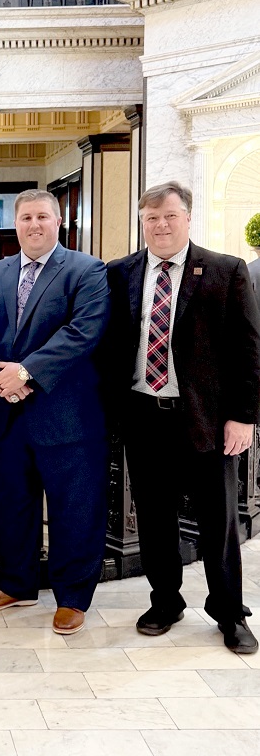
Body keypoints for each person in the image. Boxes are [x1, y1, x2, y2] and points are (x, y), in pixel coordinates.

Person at [104, 181, 260, 654]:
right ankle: (166, 601)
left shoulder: (225, 270)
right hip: (143, 415)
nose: (161, 225)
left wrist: (243, 417)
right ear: (142, 222)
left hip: (207, 422)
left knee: (218, 523)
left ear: (187, 217)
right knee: (153, 520)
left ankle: (229, 613)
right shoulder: (121, 273)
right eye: (151, 218)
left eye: (170, 216)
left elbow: (248, 350)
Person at [0, 189, 110, 635]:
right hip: (3, 412)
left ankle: (72, 597)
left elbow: (83, 332)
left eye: (43, 217)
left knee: (74, 509)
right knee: (10, 503)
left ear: (58, 221)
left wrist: (26, 373)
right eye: (26, 217)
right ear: (16, 224)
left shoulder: (87, 271)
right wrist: (1, 377)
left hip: (65, 414)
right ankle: (16, 584)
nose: (34, 225)